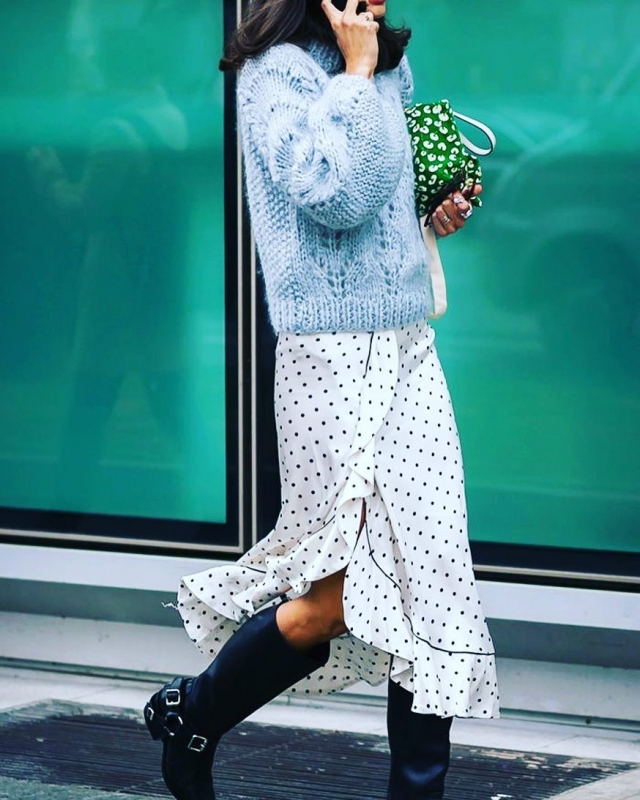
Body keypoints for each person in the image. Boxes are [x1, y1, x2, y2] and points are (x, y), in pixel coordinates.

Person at [144, 0, 499, 797]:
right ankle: (193, 714)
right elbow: (331, 194)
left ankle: (416, 790)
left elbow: (382, 199)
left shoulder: (384, 64)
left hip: (407, 344)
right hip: (329, 358)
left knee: (435, 578)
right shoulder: (277, 73)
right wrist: (359, 75)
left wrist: (435, 207)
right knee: (331, 601)